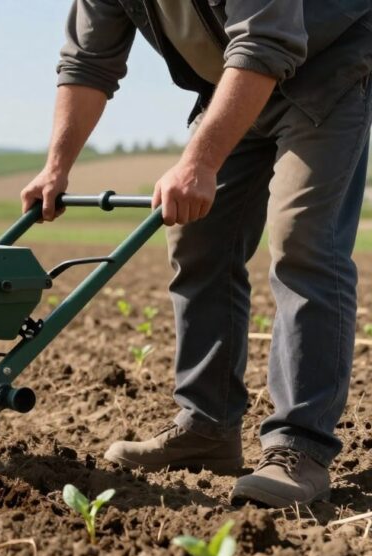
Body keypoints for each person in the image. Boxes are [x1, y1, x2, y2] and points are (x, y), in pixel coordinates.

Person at [21, 0, 372, 507]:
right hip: (237, 74)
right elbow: (88, 61)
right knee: (195, 236)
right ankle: (208, 427)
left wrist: (200, 161)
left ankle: (300, 448)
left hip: (326, 65)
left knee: (303, 239)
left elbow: (266, 39)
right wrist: (56, 167)